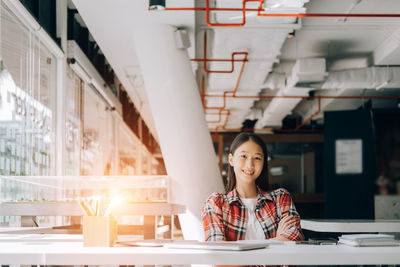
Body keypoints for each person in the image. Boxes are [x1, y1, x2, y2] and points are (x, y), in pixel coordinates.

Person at [202, 132, 304, 242]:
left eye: (257, 158)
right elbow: (217, 247)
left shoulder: (280, 198)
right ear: (231, 160)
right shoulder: (216, 203)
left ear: (263, 162)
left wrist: (235, 246)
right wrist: (278, 240)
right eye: (243, 156)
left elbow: (295, 236)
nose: (250, 165)